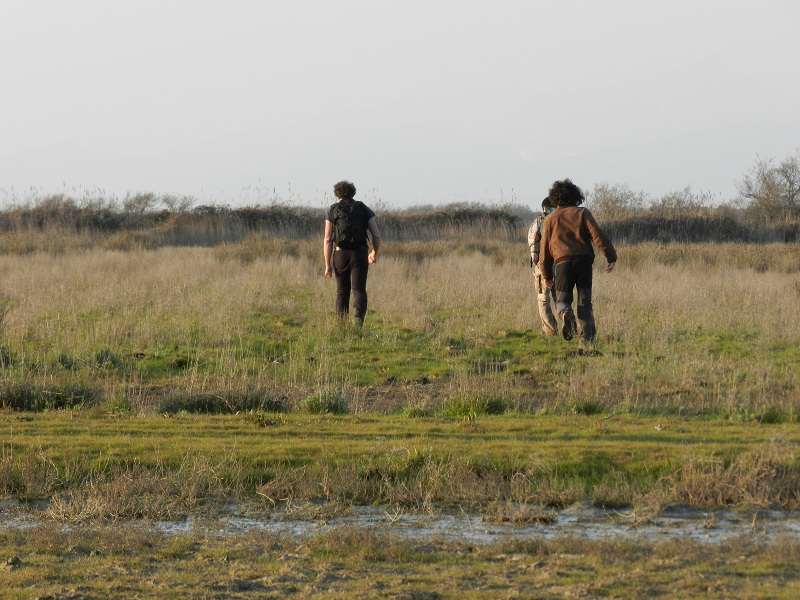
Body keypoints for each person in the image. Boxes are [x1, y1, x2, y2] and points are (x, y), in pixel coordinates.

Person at [540, 179, 616, 348]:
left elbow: (544, 250)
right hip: (584, 263)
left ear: (555, 198)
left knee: (562, 300)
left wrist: (546, 275)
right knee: (584, 303)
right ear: (576, 196)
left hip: (562, 264)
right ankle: (587, 343)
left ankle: (566, 313)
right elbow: (598, 235)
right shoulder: (582, 213)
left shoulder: (550, 219)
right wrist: (610, 256)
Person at [323, 180, 381, 326]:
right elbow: (376, 235)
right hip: (360, 253)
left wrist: (327, 265)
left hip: (340, 254)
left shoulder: (331, 210)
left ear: (337, 194)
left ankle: (341, 324)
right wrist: (374, 252)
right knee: (359, 289)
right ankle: (358, 319)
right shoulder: (363, 208)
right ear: (353, 193)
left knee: (342, 291)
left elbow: (328, 239)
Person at [528, 196, 558, 336]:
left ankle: (550, 331)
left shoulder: (539, 222)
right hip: (562, 264)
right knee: (561, 298)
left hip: (543, 265)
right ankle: (568, 322)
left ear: (543, 207)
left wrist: (536, 261)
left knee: (543, 298)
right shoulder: (562, 220)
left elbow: (534, 245)